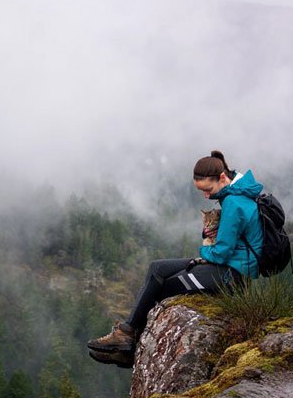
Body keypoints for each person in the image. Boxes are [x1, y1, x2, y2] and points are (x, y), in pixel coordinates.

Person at [87, 150, 263, 367]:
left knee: (166, 286)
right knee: (157, 268)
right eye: (201, 191)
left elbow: (221, 253)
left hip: (230, 275)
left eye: (208, 190)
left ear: (222, 178)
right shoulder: (235, 193)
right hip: (227, 265)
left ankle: (129, 349)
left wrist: (203, 253)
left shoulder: (234, 203)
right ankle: (126, 332)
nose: (206, 196)